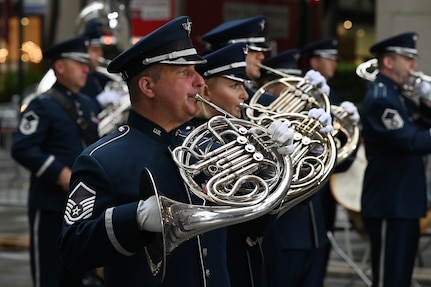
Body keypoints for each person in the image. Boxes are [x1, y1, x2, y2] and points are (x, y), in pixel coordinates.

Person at [58, 16, 295, 287]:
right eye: (184, 72)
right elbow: (73, 248)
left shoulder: (211, 147)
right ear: (148, 86)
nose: (198, 81)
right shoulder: (102, 159)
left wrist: (270, 172)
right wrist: (134, 219)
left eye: (196, 70)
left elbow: (251, 229)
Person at [11, 36, 100, 287]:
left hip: (81, 208)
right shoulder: (42, 105)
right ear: (59, 66)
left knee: (78, 276)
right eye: (79, 63)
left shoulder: (87, 104)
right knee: (49, 276)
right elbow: (22, 147)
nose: (86, 68)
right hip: (51, 206)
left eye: (86, 63)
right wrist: (60, 172)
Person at [360, 31, 431, 287]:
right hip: (391, 203)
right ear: (388, 62)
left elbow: (424, 126)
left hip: (404, 202)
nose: (413, 66)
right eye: (407, 59)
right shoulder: (382, 99)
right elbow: (410, 140)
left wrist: (426, 100)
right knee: (389, 279)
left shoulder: (397, 95)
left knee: (400, 278)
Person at [260, 49, 334, 287]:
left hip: (315, 235)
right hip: (284, 237)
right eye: (289, 86)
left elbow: (335, 165)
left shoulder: (305, 120)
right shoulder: (263, 122)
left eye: (298, 84)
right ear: (270, 88)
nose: (299, 93)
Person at [301, 37, 361, 277]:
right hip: (311, 184)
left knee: (320, 254)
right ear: (315, 61)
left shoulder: (330, 93)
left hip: (325, 184)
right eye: (329, 58)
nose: (334, 63)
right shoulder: (306, 92)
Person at [201, 15, 275, 106]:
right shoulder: (263, 102)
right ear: (230, 51)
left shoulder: (264, 101)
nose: (261, 56)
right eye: (252, 50)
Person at [80, 18, 123, 111]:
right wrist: (97, 102)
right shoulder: (81, 77)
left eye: (100, 50)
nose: (100, 54)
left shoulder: (98, 76)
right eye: (94, 50)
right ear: (84, 52)